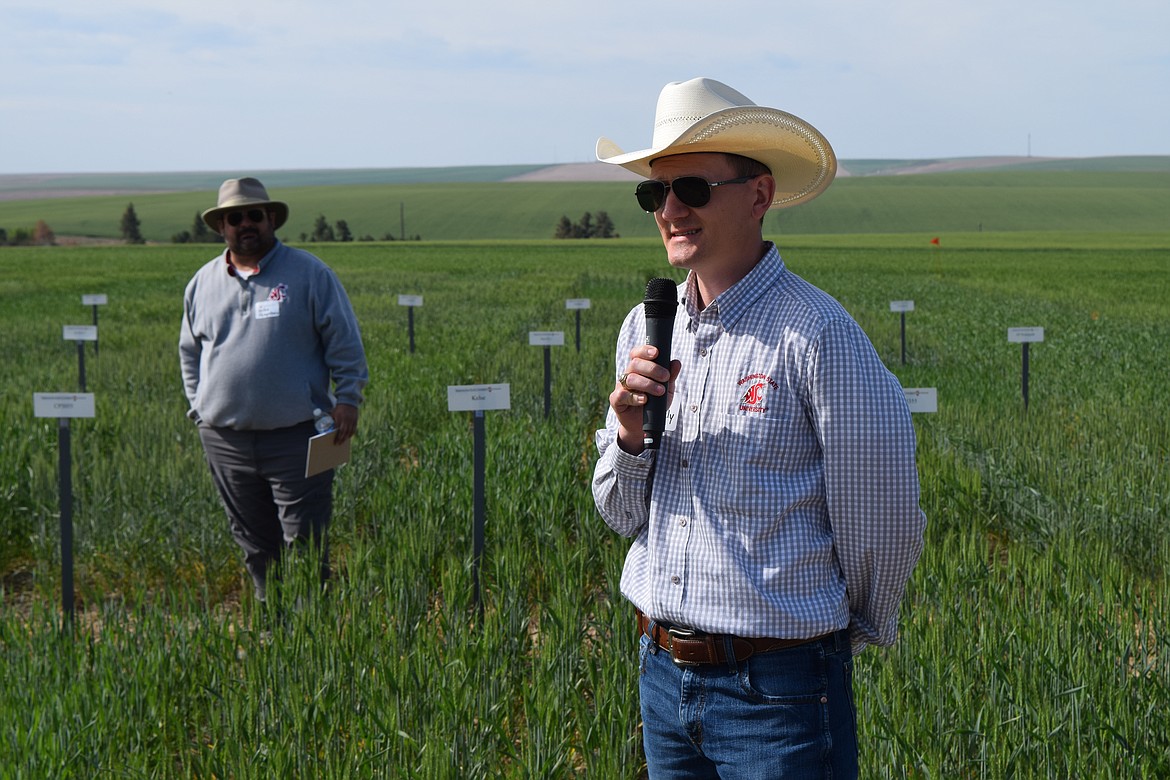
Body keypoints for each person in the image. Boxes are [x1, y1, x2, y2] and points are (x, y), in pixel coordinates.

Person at [592, 78, 926, 778]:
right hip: (661, 677)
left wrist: (830, 635)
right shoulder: (643, 329)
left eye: (691, 187)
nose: (671, 209)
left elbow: (882, 519)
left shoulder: (818, 336)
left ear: (759, 195)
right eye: (655, 194)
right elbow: (621, 516)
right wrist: (627, 436)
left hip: (778, 696)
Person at [180, 177, 368, 604]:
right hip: (226, 440)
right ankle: (275, 629)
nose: (245, 224)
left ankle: (313, 634)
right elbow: (189, 352)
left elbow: (344, 340)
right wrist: (200, 411)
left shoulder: (310, 273)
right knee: (254, 542)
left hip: (298, 434)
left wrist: (348, 398)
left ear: (270, 220)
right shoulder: (202, 283)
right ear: (221, 227)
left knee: (305, 539)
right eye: (234, 218)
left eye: (254, 215)